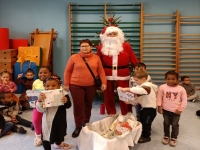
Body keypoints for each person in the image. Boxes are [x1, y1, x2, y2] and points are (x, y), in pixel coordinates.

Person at [64, 39, 107, 138]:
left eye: (86, 46)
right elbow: (67, 71)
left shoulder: (96, 58)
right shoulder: (74, 57)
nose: (84, 48)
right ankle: (78, 126)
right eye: (82, 46)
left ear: (91, 47)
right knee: (78, 106)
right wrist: (66, 84)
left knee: (88, 105)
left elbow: (100, 71)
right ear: (80, 47)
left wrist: (104, 82)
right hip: (76, 85)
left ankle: (85, 123)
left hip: (91, 86)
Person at [96, 16, 138, 115]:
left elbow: (133, 60)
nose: (112, 36)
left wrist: (139, 71)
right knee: (108, 95)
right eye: (110, 34)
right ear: (106, 36)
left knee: (125, 94)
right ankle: (111, 113)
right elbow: (98, 62)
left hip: (123, 73)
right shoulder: (101, 47)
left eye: (114, 34)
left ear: (118, 34)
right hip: (107, 73)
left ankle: (126, 114)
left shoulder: (126, 46)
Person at [118, 70, 158, 143]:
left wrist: (127, 89)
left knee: (146, 123)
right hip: (145, 108)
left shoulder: (147, 85)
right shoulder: (140, 86)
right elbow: (137, 99)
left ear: (144, 79)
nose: (135, 82)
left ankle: (146, 136)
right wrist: (129, 101)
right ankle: (143, 133)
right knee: (142, 121)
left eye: (137, 80)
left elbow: (143, 91)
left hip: (150, 109)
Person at [36, 75, 72, 150]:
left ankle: (58, 144)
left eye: (53, 85)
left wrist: (66, 101)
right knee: (46, 136)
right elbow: (40, 110)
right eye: (47, 86)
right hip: (47, 120)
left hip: (59, 120)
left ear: (59, 86)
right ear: (44, 86)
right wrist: (39, 101)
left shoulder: (63, 94)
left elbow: (68, 106)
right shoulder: (43, 95)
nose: (50, 88)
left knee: (59, 133)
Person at [157, 71, 187, 147]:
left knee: (174, 124)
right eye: (168, 79)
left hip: (176, 111)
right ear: (165, 79)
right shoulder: (162, 87)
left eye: (173, 79)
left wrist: (180, 109)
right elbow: (159, 97)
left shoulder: (181, 89)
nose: (170, 81)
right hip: (166, 110)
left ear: (177, 79)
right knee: (166, 123)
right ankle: (166, 136)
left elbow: (184, 100)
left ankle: (174, 137)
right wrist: (159, 106)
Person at [31, 66, 51, 146]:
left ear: (49, 74)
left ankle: (49, 134)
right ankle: (38, 136)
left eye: (45, 73)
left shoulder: (52, 81)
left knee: (49, 120)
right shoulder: (35, 82)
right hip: (38, 104)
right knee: (35, 120)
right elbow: (32, 93)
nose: (42, 74)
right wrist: (29, 97)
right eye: (40, 73)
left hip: (50, 106)